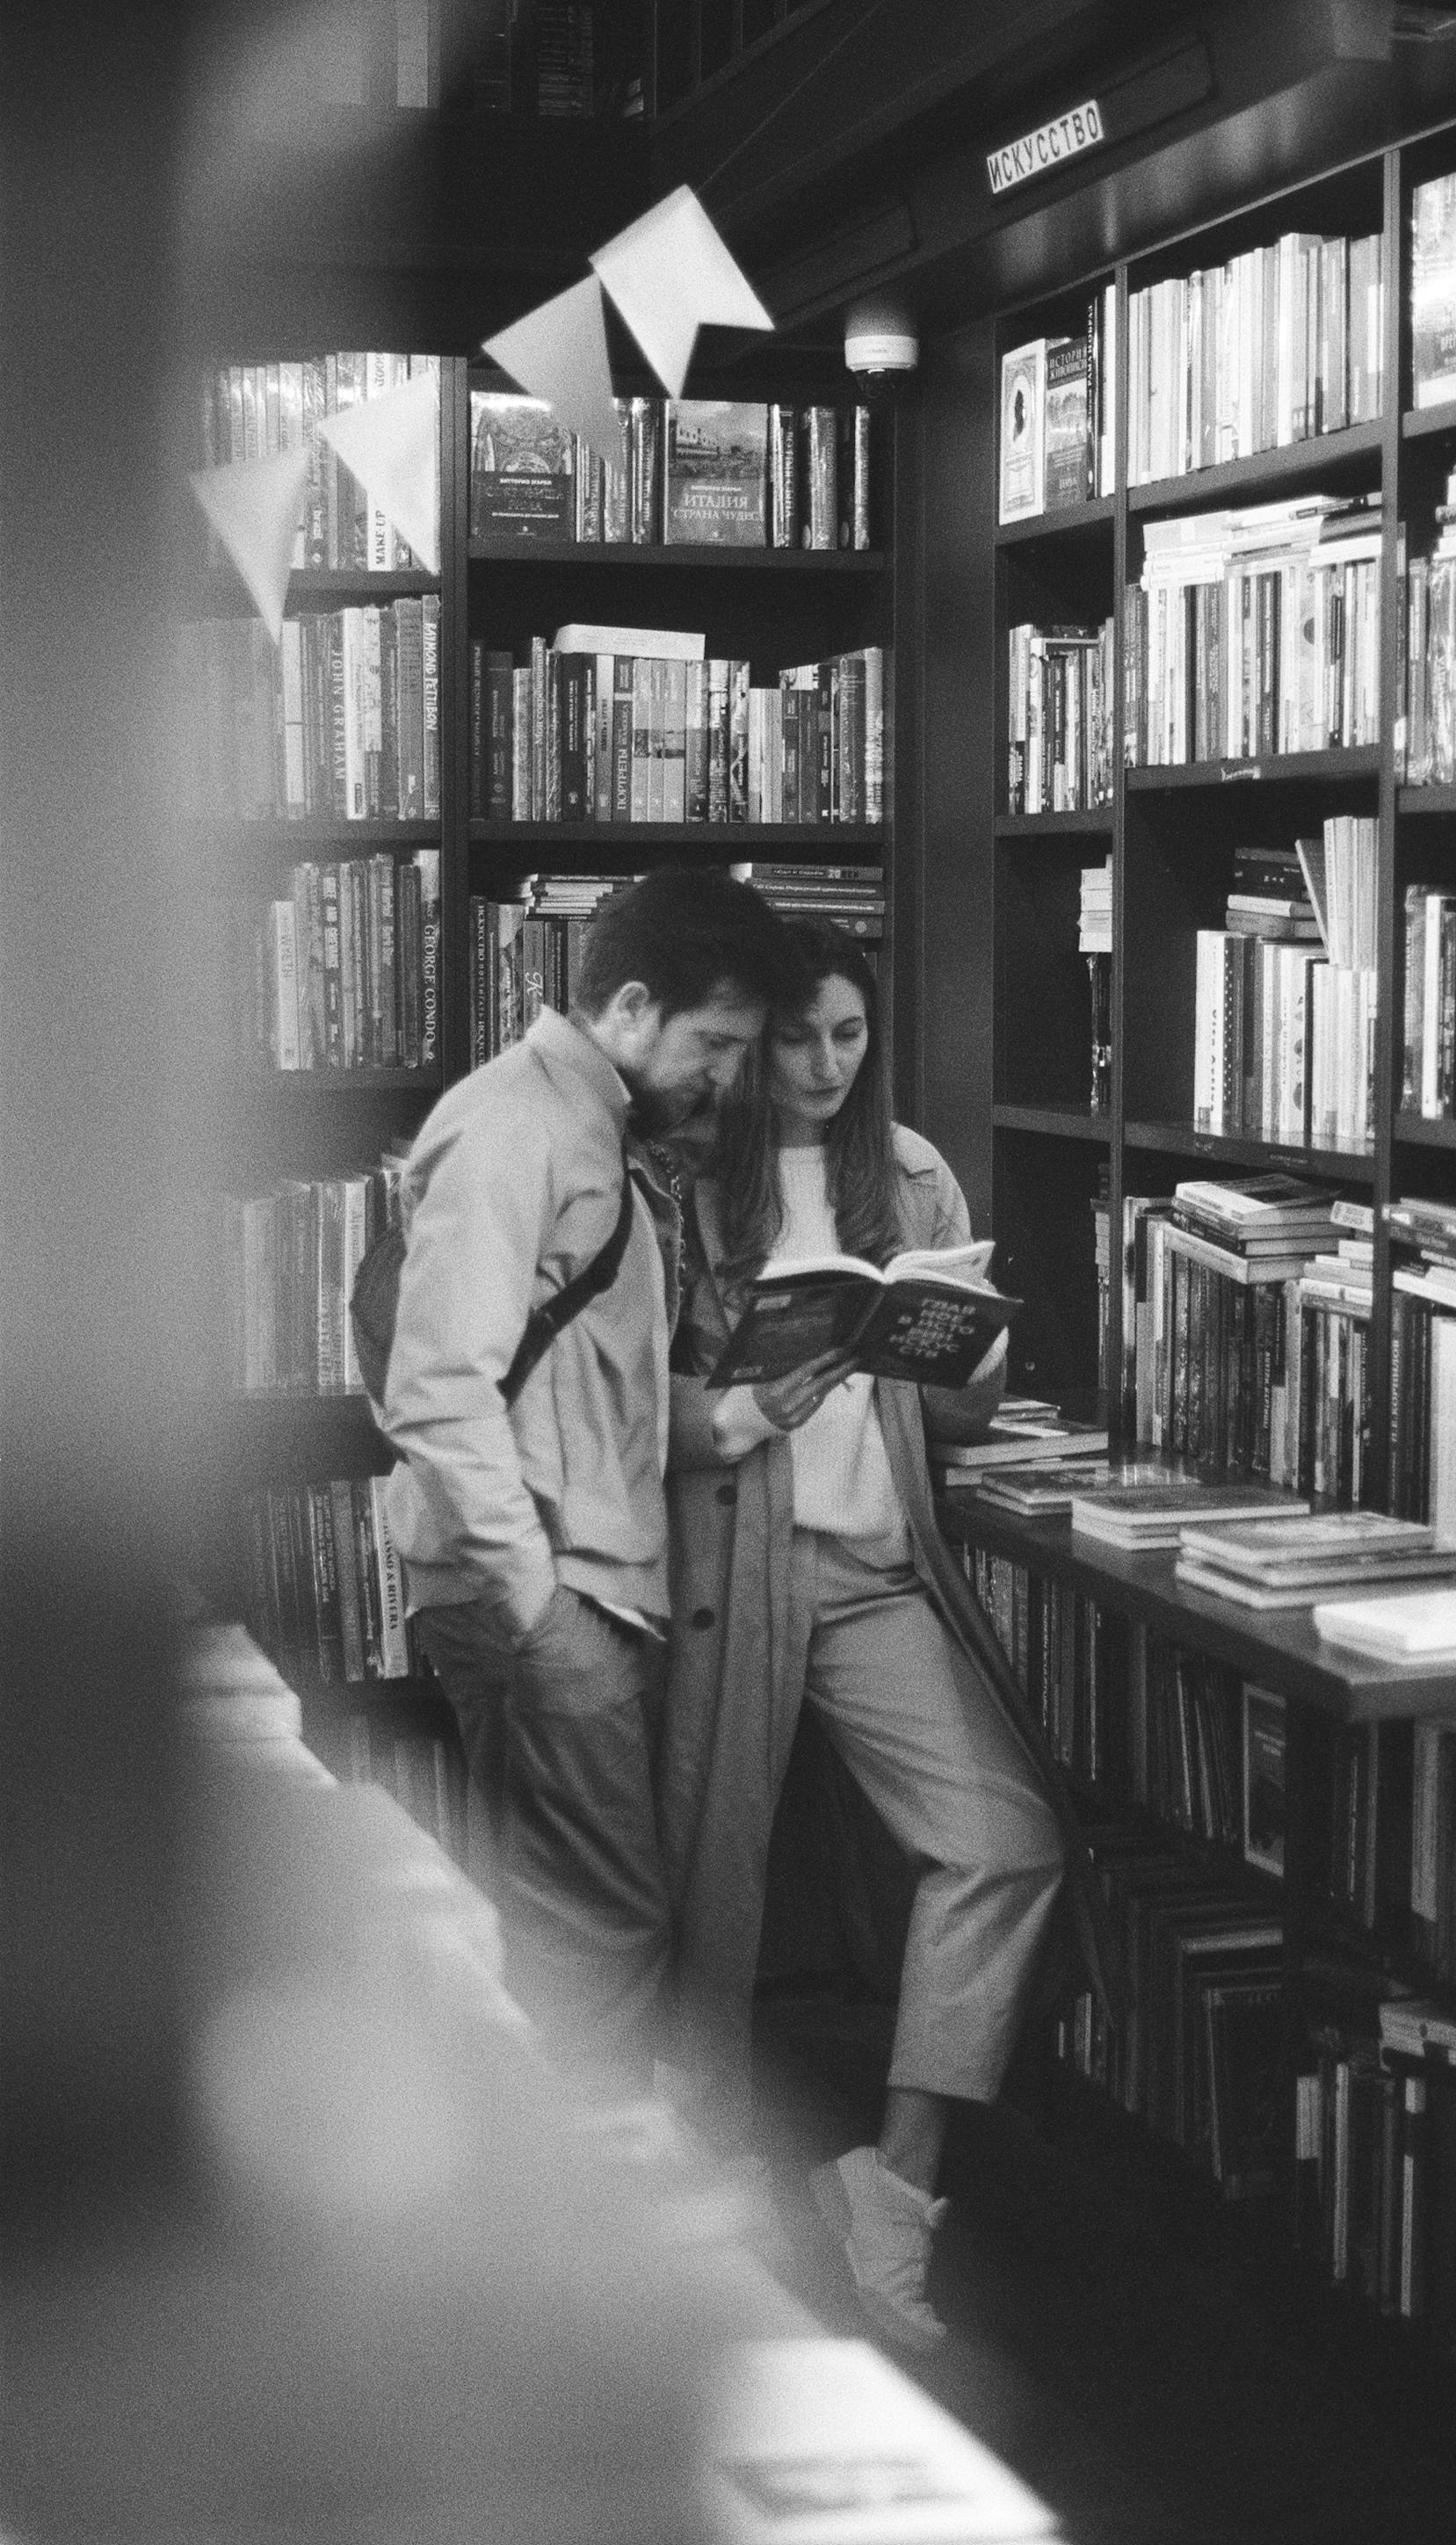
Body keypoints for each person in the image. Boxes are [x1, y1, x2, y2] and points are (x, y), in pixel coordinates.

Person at [658, 918, 1115, 2350]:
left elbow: (965, 1406)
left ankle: (894, 2189)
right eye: (794, 1038)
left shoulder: (910, 1172)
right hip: (727, 1577)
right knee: (699, 1901)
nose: (821, 1065)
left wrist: (958, 1347)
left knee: (1005, 1842)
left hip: (869, 1567)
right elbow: (633, 1402)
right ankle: (693, 2225)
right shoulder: (677, 1174)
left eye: (848, 1037)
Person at [379, 866, 791, 2093]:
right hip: (543, 1597)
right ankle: (571, 2257)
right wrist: (538, 1606)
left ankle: (531, 2235)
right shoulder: (518, 1123)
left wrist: (758, 1405)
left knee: (564, 1940)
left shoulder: (584, 1125)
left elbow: (576, 1393)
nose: (723, 1077)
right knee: (607, 1941)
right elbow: (440, 1388)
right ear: (628, 1005)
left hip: (574, 1589)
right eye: (712, 1042)